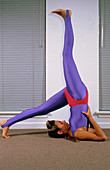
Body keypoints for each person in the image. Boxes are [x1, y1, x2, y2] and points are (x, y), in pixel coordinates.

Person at [0, 9, 107, 141]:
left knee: (42, 109)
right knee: (66, 55)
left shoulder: (75, 131)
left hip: (71, 97)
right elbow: (102, 137)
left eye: (60, 122)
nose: (63, 120)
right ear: (62, 132)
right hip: (78, 95)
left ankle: (7, 122)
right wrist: (90, 118)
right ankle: (67, 16)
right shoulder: (78, 133)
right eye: (61, 123)